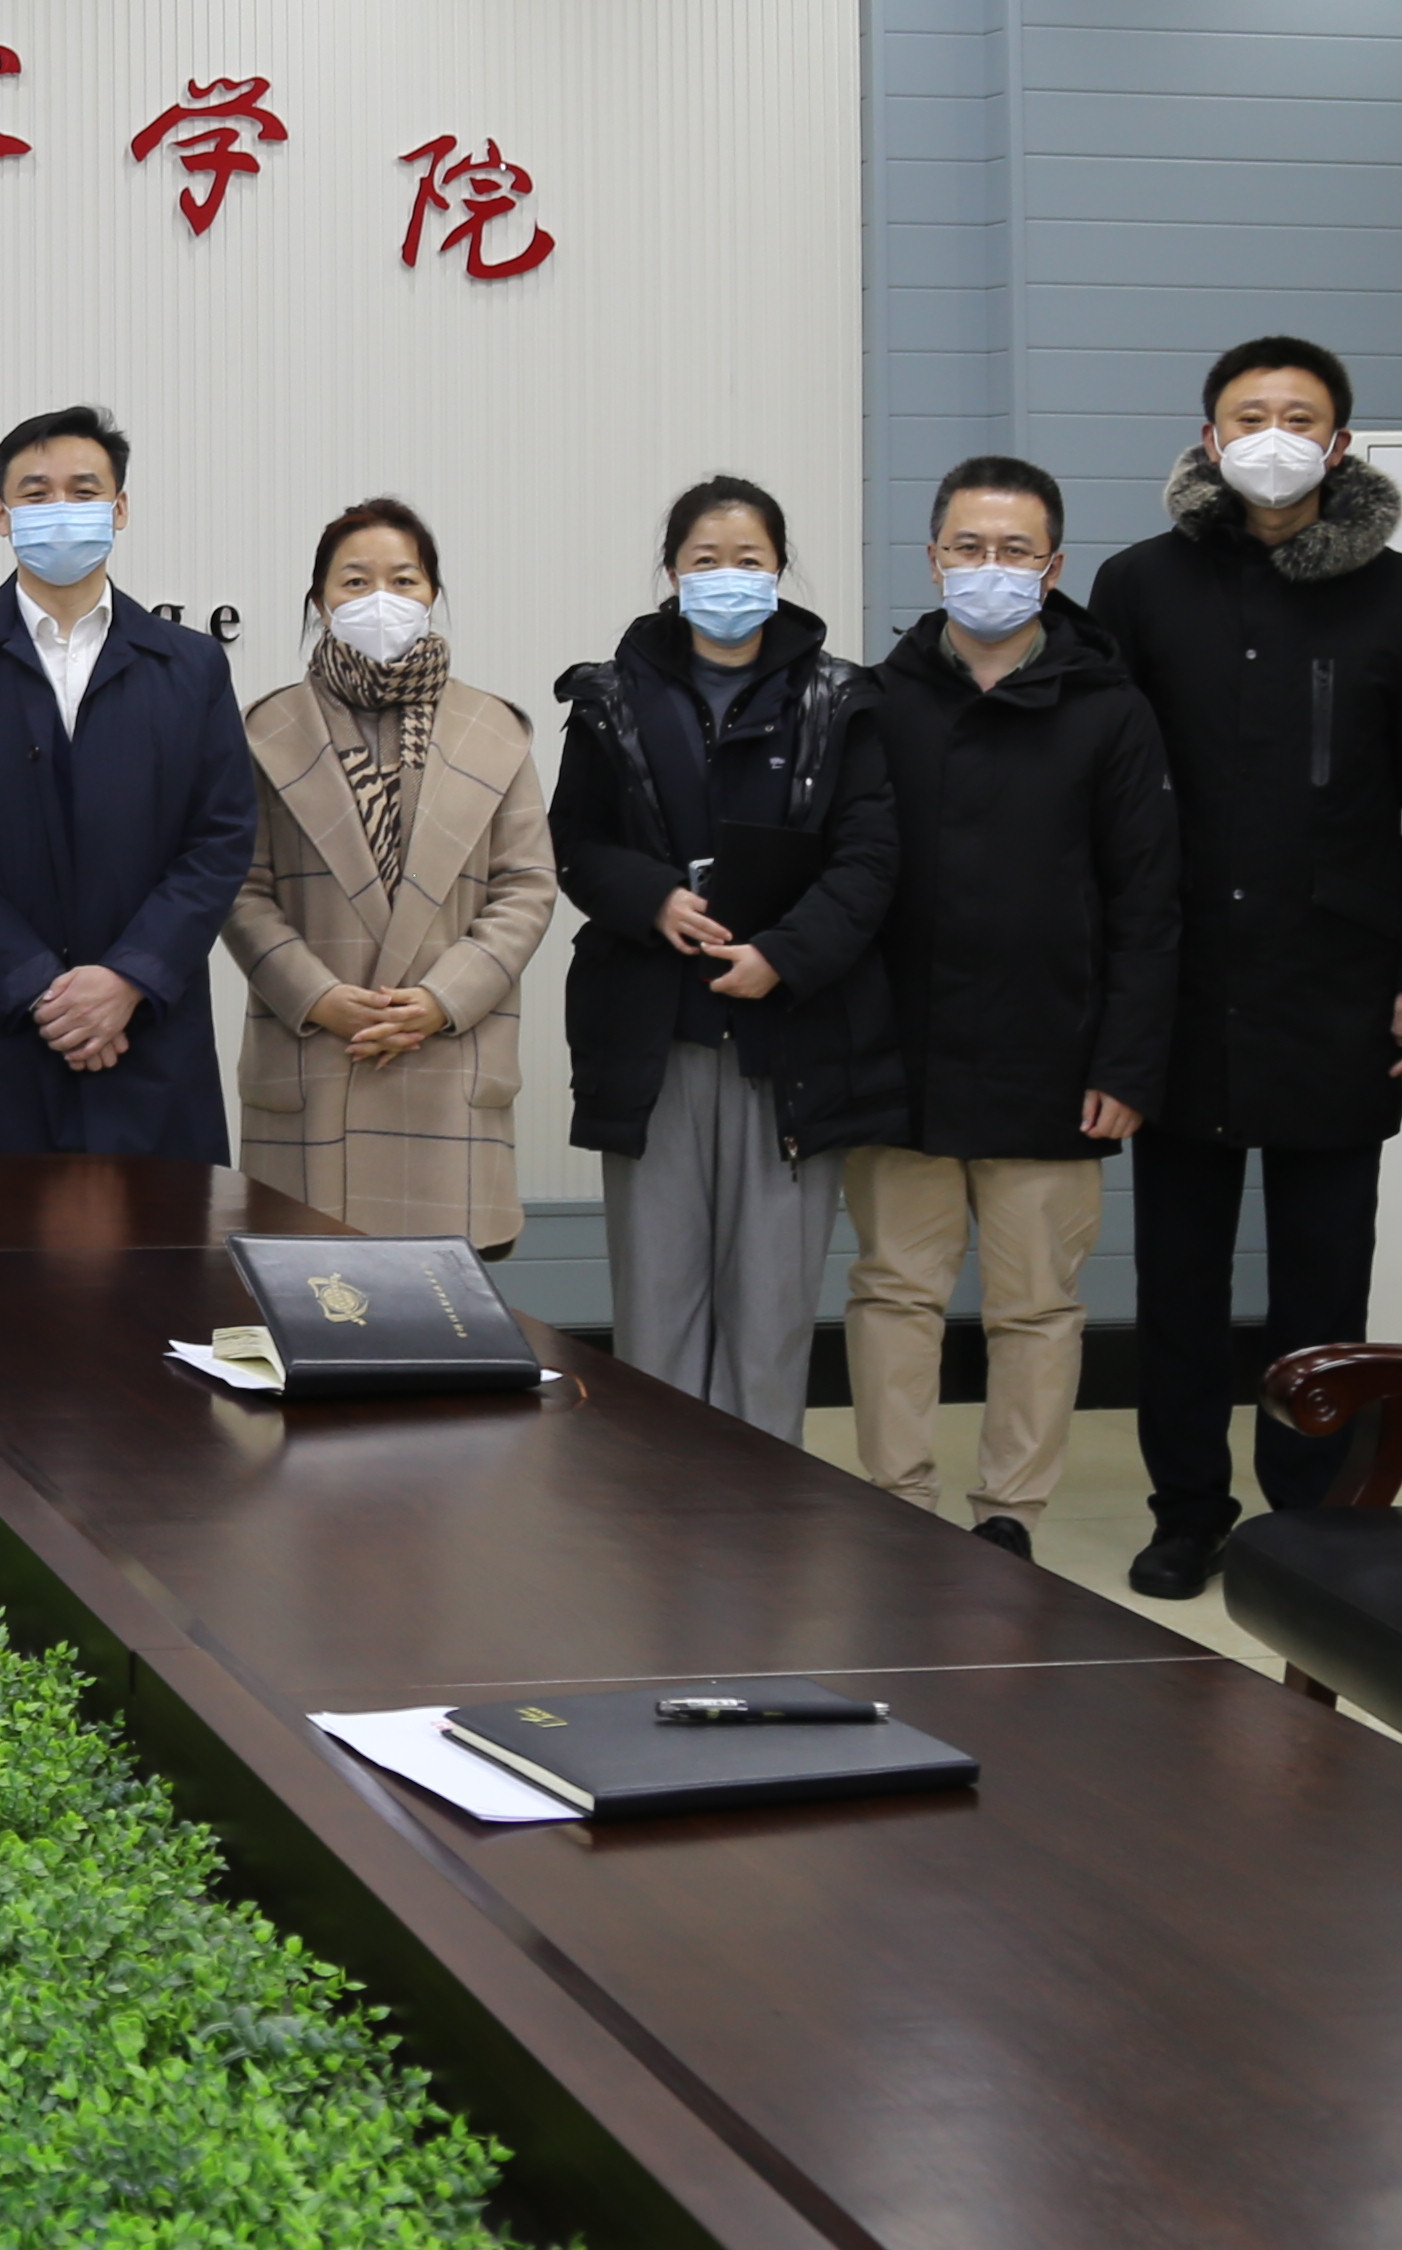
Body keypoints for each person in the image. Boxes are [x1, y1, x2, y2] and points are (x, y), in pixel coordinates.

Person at [1085, 334, 1402, 1600]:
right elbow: (1100, 788)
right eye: (1248, 415)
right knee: (1180, 1274)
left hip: (1340, 986)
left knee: (1324, 1271)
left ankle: (1312, 1515)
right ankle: (1187, 1510)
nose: (1273, 436)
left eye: (1299, 416)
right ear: (1208, 441)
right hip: (1183, 984)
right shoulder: (1139, 585)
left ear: (1340, 443)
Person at [845, 458, 1179, 1557]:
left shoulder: (1111, 711)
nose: (990, 567)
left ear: (1054, 566)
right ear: (934, 558)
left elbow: (1147, 903)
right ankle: (897, 1506)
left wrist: (1127, 1063)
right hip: (899, 1058)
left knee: (1036, 1305)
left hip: (1057, 1057)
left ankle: (1009, 1518)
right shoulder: (874, 702)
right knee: (895, 1293)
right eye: (969, 548)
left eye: (1015, 550)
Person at [543, 475, 902, 1428]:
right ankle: (662, 1499)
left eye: (749, 559)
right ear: (672, 572)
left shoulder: (840, 699)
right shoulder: (611, 697)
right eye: (706, 560)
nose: (728, 577)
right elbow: (574, 841)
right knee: (657, 1302)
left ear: (780, 570)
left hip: (789, 1041)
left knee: (772, 1312)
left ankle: (760, 1503)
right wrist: (650, 897)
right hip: (652, 1038)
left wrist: (783, 953)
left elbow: (870, 859)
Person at [0, 405, 254, 1159]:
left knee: (164, 1234)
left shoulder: (190, 666)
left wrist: (127, 978)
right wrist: (39, 989)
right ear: (1, 515)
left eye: (84, 492)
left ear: (120, 508)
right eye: (36, 492)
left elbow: (219, 839)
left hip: (150, 1036)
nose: (61, 509)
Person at [217, 499, 562, 1248]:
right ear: (320, 602)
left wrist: (443, 998)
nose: (381, 598)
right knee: (315, 1297)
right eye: (355, 581)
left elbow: (527, 884)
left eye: (403, 580)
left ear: (433, 593)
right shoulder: (264, 731)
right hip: (316, 1057)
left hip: (447, 1059)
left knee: (443, 1309)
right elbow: (240, 887)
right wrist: (317, 996)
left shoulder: (494, 731)